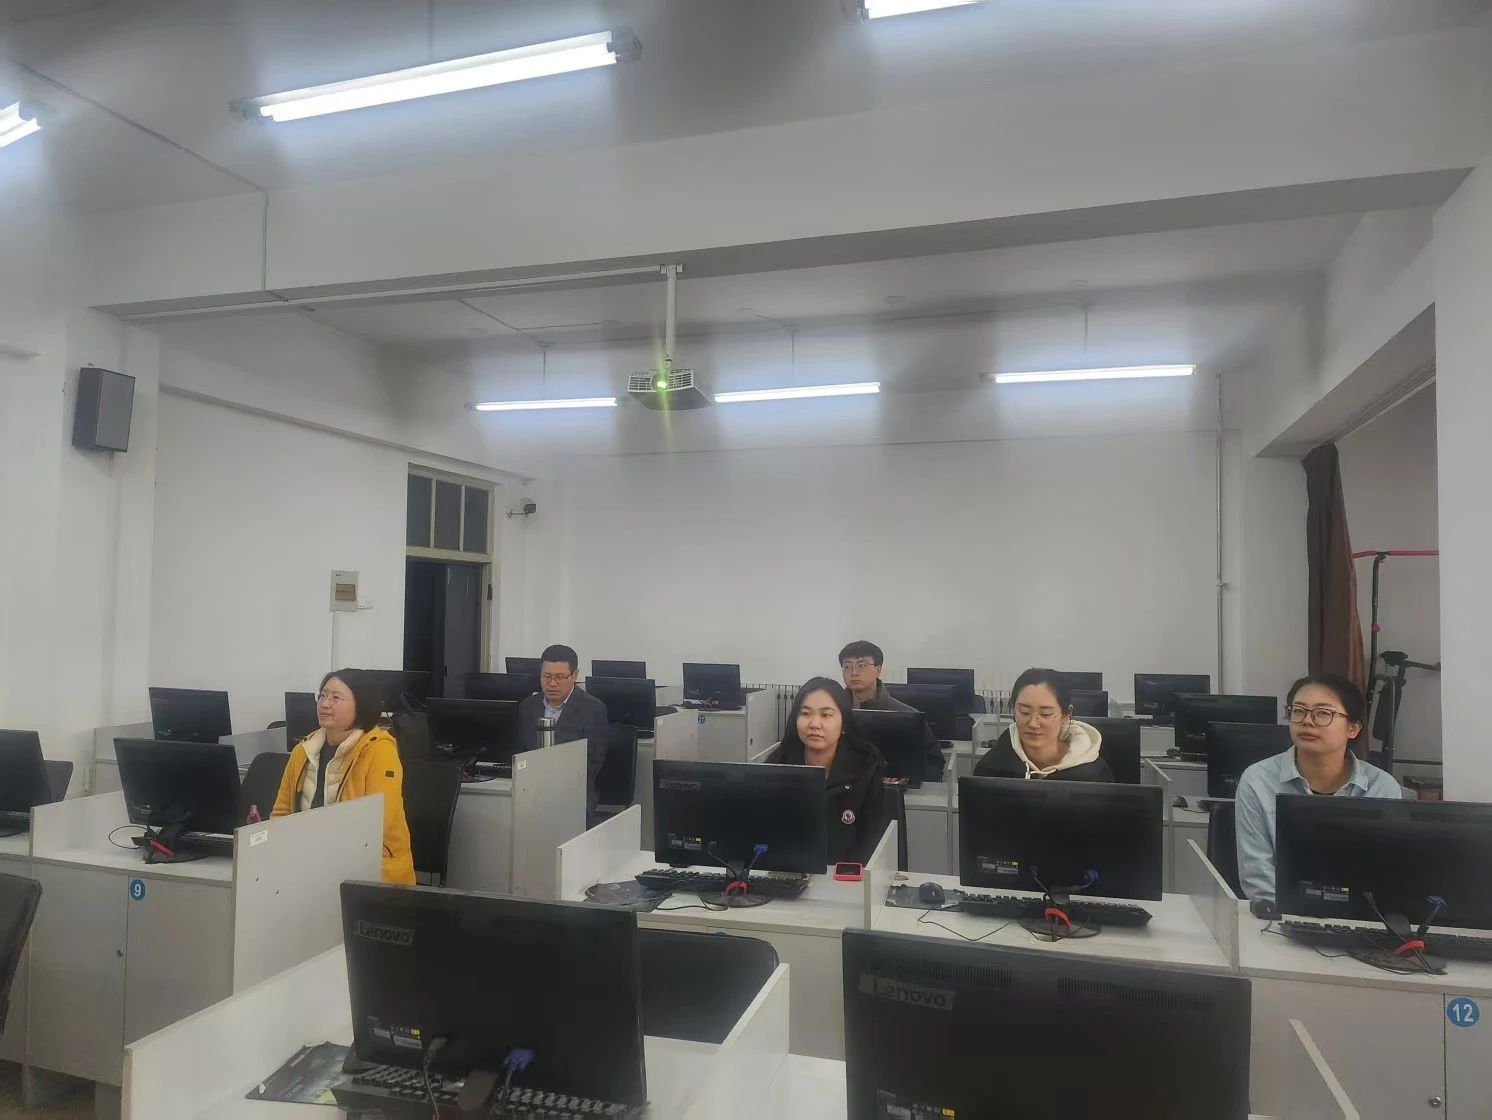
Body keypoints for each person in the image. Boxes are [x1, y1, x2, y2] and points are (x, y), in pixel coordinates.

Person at [1234, 673, 1402, 904]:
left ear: (1353, 728)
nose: (1307, 721)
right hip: (1281, 914)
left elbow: (1385, 875)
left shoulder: (1381, 787)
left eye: (1323, 713)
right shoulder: (1258, 781)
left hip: (1360, 917)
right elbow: (1258, 878)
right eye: (1298, 711)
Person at [272, 668, 415, 884]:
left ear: (360, 704)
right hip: (310, 865)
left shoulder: (380, 750)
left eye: (336, 698)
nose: (325, 704)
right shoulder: (303, 750)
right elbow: (281, 812)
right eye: (322, 695)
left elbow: (377, 822)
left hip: (371, 872)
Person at [768, 677, 891, 864]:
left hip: (846, 876)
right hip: (786, 872)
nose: (814, 724)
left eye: (826, 715)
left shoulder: (866, 770)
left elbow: (872, 846)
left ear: (844, 722)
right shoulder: (777, 766)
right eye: (805, 713)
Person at [516, 644, 611, 812]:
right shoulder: (527, 707)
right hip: (529, 790)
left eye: (559, 677)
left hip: (574, 794)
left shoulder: (593, 709)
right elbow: (519, 752)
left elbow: (591, 765)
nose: (552, 683)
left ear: (574, 675)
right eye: (546, 676)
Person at [974, 667, 1114, 781]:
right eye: (1024, 712)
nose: (1033, 723)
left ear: (1067, 714)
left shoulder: (1095, 775)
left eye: (1045, 714)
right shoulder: (990, 768)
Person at [839, 640, 942, 779]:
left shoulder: (907, 715)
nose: (854, 672)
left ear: (878, 670)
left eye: (862, 665)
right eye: (847, 666)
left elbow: (934, 761)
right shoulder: (833, 713)